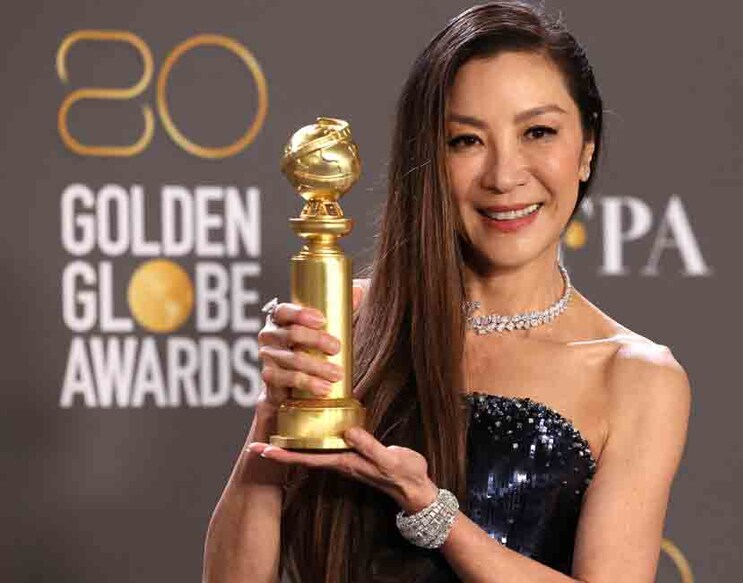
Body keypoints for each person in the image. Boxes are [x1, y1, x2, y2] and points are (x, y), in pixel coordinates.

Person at [202, 2, 691, 581]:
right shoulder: (352, 320)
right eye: (466, 140)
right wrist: (273, 415)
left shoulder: (635, 376)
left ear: (586, 148)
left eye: (539, 132)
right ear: (429, 158)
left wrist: (432, 511)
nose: (504, 176)